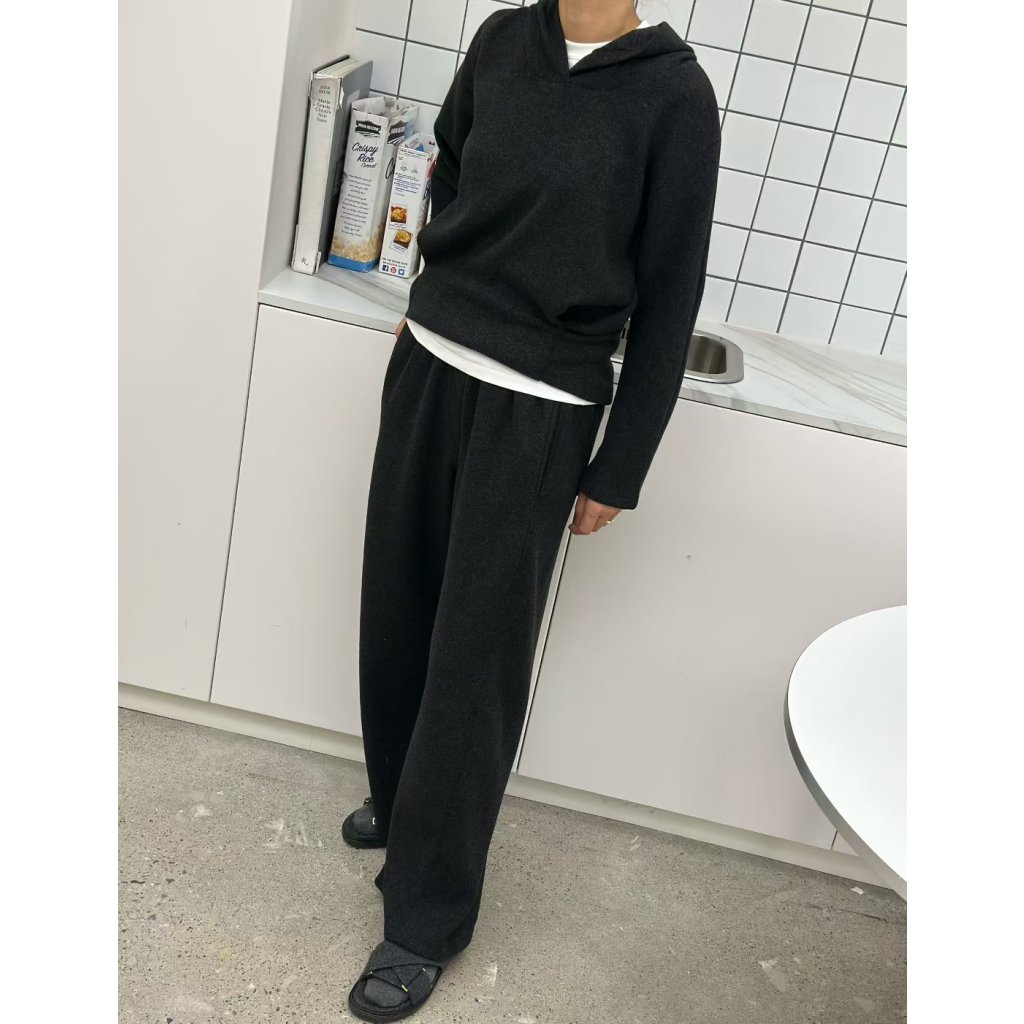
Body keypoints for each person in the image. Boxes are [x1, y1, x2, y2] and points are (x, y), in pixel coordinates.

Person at [343, 1, 720, 1018]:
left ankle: (425, 918)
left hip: (541, 405)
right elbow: (451, 171)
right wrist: (423, 304)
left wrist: (621, 462)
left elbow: (670, 291)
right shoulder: (504, 40)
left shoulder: (674, 97)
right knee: (397, 608)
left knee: (475, 663)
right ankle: (402, 801)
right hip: (431, 362)